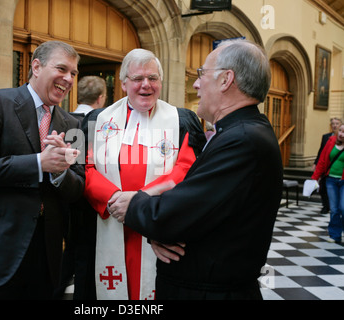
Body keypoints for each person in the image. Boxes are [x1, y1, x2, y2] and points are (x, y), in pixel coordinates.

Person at [109, 39, 283, 300]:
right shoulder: (241, 132)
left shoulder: (242, 141)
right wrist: (162, 231)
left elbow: (178, 212)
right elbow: (199, 211)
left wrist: (135, 203)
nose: (196, 84)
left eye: (202, 74)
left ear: (226, 80)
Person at [0, 41, 85, 300]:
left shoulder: (73, 124)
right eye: (62, 69)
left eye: (74, 74)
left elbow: (78, 187)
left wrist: (61, 172)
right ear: (36, 66)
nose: (68, 79)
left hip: (45, 254)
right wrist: (39, 163)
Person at [82, 48, 206, 300]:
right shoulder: (97, 120)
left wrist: (139, 200)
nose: (145, 85)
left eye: (153, 78)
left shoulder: (181, 120)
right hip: (110, 219)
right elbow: (86, 168)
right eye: (138, 79)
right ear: (124, 83)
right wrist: (114, 198)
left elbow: (187, 168)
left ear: (161, 81)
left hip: (159, 223)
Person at [57, 75, 107, 299]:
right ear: (101, 98)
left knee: (67, 255)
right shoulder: (100, 124)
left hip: (63, 200)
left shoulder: (63, 119)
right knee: (86, 258)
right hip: (90, 203)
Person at [311, 123, 344, 244]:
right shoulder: (331, 141)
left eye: (343, 132)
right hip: (331, 180)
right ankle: (335, 235)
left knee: (343, 207)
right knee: (334, 209)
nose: (341, 133)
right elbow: (322, 160)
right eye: (340, 130)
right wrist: (315, 177)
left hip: (343, 181)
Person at [313, 117, 342, 213]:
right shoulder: (328, 138)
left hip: (341, 177)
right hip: (329, 172)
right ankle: (326, 207)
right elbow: (322, 153)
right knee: (324, 192)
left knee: (341, 206)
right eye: (332, 123)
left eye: (337, 123)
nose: (334, 125)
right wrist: (316, 164)